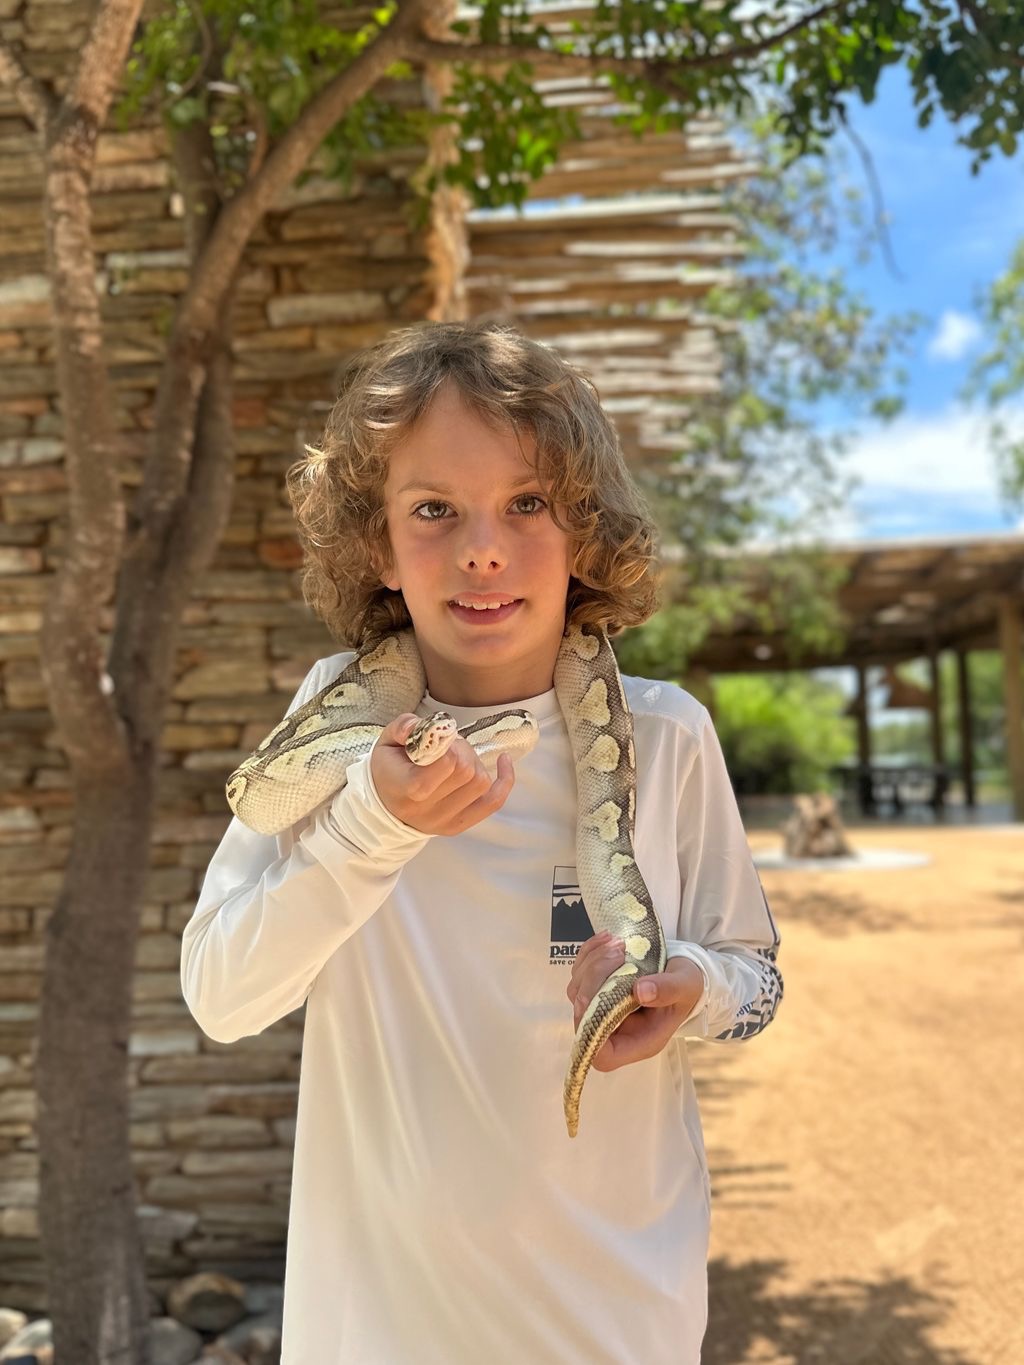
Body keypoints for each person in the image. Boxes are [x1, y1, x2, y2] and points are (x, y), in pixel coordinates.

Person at [180, 320, 783, 1365]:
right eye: (433, 509)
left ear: (584, 527)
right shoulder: (330, 726)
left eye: (527, 503)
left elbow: (757, 982)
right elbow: (220, 996)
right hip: (377, 1328)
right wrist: (374, 826)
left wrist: (691, 985)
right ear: (376, 543)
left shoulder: (666, 734)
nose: (482, 549)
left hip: (614, 1323)